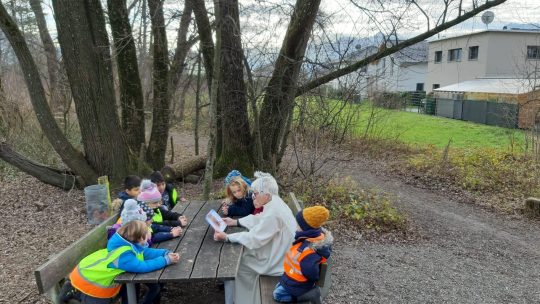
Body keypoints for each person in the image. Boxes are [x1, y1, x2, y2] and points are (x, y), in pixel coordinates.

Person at [213, 171, 297, 304]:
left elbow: (255, 239)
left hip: (277, 260)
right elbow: (259, 219)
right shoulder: (275, 202)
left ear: (266, 195)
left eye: (256, 194)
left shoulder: (274, 212)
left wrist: (227, 237)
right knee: (240, 256)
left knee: (236, 265)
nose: (253, 197)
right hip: (279, 251)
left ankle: (240, 300)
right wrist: (235, 222)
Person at [68, 220, 180, 304]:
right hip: (90, 283)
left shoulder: (129, 245)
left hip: (91, 276)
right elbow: (142, 266)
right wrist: (165, 260)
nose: (150, 234)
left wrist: (165, 252)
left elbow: (146, 253)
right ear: (141, 238)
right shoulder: (124, 256)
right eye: (148, 233)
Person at [273, 206, 333, 304]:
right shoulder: (308, 238)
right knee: (278, 287)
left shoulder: (309, 251)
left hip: (300, 284)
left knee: (277, 295)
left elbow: (311, 272)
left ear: (306, 228)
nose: (296, 227)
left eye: (298, 225)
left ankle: (307, 295)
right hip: (291, 277)